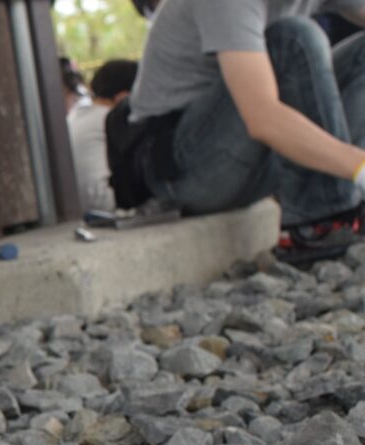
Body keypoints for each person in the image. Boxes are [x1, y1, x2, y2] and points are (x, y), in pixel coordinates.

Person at [118, 0, 365, 254]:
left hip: (251, 162)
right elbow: (263, 118)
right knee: (293, 37)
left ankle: (347, 204)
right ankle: (323, 221)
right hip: (182, 172)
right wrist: (359, 166)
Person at [69, 59, 138, 211]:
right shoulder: (112, 118)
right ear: (123, 97)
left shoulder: (76, 115)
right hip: (107, 203)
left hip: (75, 207)